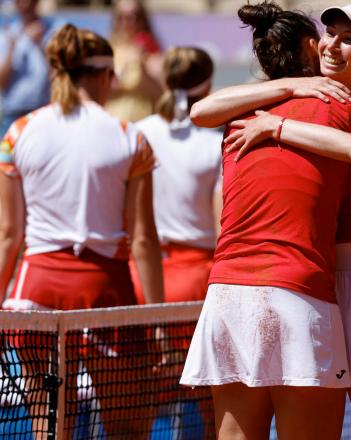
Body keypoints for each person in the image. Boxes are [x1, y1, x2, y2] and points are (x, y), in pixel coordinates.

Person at [190, 2, 351, 438]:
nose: (334, 45)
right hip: (306, 283)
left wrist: (275, 128)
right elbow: (202, 111)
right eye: (330, 34)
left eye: (350, 39)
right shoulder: (293, 99)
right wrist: (294, 91)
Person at [0, 24, 163, 439]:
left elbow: (8, 234)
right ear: (104, 75)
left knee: (49, 429)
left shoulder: (18, 133)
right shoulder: (131, 137)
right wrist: (159, 319)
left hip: (33, 292)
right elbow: (143, 239)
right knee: (127, 429)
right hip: (104, 291)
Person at [131, 46, 222, 304]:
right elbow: (221, 227)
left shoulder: (136, 133)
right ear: (207, 86)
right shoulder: (216, 145)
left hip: (138, 276)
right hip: (195, 282)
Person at [0, 0, 63, 136]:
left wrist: (41, 45)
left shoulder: (55, 29)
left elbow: (61, 76)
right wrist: (12, 50)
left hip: (43, 113)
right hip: (11, 115)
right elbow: (1, 83)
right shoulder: (7, 34)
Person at [106, 0, 163, 122]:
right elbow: (100, 89)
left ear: (143, 18)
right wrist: (126, 68)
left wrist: (143, 68)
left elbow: (162, 94)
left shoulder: (151, 49)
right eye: (123, 16)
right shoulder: (107, 49)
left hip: (143, 124)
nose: (129, 21)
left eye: (135, 16)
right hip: (113, 122)